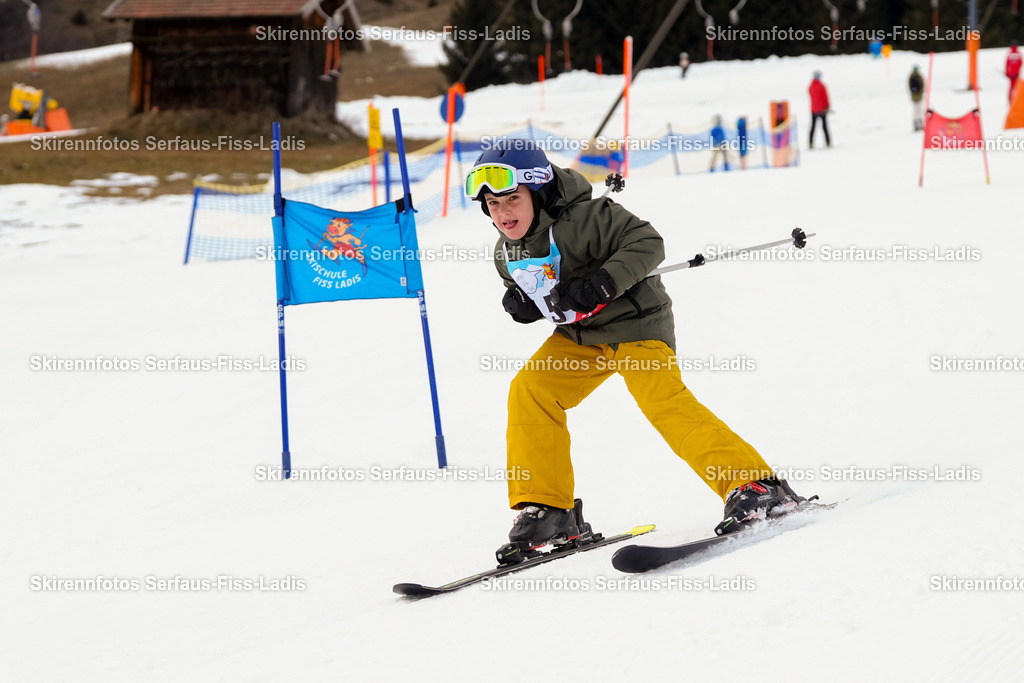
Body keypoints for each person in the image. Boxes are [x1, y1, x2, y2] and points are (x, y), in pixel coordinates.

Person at [463, 139, 810, 551]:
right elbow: (534, 290)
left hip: (636, 325)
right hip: (580, 338)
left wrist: (605, 280)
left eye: (512, 200)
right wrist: (523, 304)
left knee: (662, 401)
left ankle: (755, 484)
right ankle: (550, 509)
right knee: (531, 391)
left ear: (537, 192)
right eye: (493, 205)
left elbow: (648, 242)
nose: (503, 213)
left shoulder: (589, 217)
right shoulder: (507, 251)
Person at [808, 71, 831, 148]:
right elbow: (825, 97)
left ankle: (810, 142)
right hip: (822, 110)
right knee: (824, 127)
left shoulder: (810, 86)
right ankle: (828, 142)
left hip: (813, 110)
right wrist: (827, 106)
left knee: (813, 127)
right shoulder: (821, 86)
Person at [908, 65, 925, 132]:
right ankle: (918, 124)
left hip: (915, 96)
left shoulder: (912, 76)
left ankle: (918, 124)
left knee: (917, 110)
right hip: (917, 96)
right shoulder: (916, 76)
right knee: (918, 110)